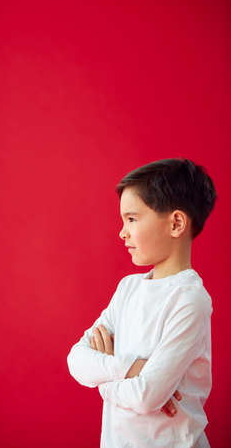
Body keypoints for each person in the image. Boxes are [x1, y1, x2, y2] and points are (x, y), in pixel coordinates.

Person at [67, 158, 217, 448]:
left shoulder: (189, 299)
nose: (122, 232)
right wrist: (135, 368)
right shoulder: (128, 288)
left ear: (176, 223)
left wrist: (103, 381)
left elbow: (147, 395)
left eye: (132, 219)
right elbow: (76, 359)